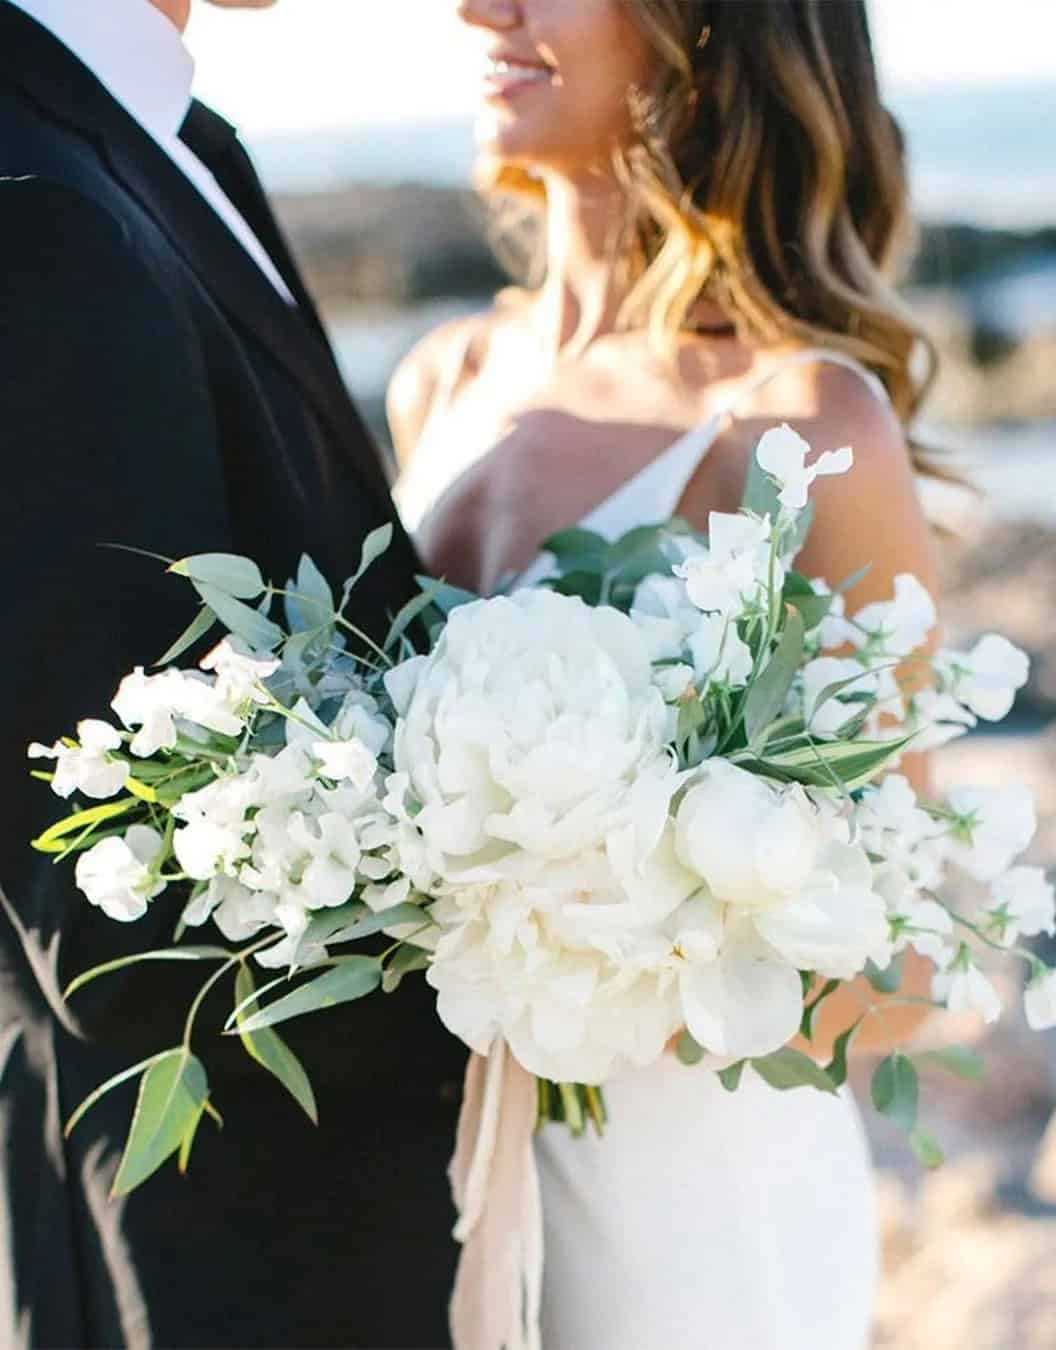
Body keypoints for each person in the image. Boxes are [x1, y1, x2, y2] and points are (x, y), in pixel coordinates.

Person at [390, 1, 940, 1346]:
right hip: (432, 1183)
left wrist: (597, 909)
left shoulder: (804, 430)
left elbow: (908, 971)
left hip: (692, 1212)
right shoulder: (440, 378)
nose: (480, 6)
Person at [0, 1, 465, 1345]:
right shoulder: (32, 196)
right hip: (219, 1264)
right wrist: (527, 877)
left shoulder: (167, 136)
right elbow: (111, 911)